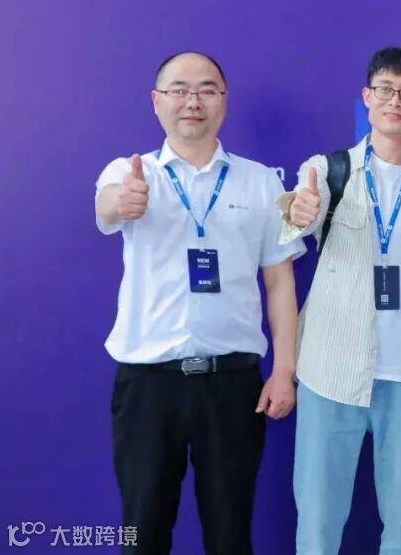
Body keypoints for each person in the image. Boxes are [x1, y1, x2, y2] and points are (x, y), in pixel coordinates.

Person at [95, 52, 304, 555]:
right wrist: (122, 202)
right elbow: (106, 207)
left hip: (231, 384)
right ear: (156, 101)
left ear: (224, 101)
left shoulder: (259, 181)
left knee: (230, 534)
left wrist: (285, 371)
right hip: (149, 384)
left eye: (207, 89)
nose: (193, 101)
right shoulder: (130, 172)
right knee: (142, 532)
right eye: (179, 90)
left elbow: (279, 282)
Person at [281, 46, 401, 555]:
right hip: (331, 371)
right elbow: (296, 221)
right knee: (318, 523)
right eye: (385, 89)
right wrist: (298, 212)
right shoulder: (327, 170)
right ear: (367, 96)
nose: (395, 101)